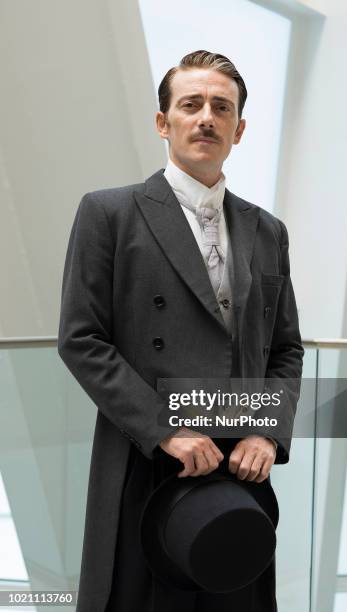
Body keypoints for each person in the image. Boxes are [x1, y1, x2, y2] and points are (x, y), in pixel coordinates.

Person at [57, 49, 304, 612]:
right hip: (145, 463)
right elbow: (81, 338)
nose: (206, 118)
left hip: (241, 468)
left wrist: (266, 435)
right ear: (163, 122)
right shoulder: (109, 213)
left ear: (239, 130)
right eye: (190, 104)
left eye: (222, 107)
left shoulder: (269, 231)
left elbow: (286, 349)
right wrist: (165, 430)